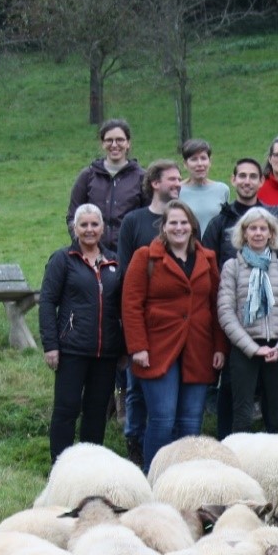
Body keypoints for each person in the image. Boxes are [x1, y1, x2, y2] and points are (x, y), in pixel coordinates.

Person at [121, 200, 226, 472]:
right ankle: (155, 476)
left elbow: (215, 305)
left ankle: (186, 478)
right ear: (164, 227)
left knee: (191, 422)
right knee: (162, 419)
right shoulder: (146, 257)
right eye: (173, 223)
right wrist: (138, 347)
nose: (179, 228)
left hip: (198, 348)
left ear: (192, 226)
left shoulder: (207, 258)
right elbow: (131, 305)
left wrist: (219, 347)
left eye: (184, 222)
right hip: (157, 348)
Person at [200, 157, 278, 438]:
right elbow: (210, 274)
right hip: (235, 328)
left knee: (277, 407)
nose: (247, 181)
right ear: (233, 179)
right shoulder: (221, 228)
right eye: (242, 176)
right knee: (236, 399)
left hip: (274, 336)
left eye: (254, 176)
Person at [39, 203, 123, 462]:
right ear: (75, 229)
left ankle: (89, 466)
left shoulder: (114, 261)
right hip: (71, 349)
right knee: (67, 409)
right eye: (83, 225)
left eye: (94, 224)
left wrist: (124, 348)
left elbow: (123, 307)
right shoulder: (62, 259)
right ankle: (60, 466)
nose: (89, 230)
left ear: (102, 228)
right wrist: (51, 345)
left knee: (97, 411)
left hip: (106, 352)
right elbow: (47, 302)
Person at [115, 159, 182, 466]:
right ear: (155, 183)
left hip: (171, 323)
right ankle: (134, 443)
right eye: (172, 179)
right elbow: (126, 269)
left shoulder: (183, 221)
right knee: (135, 386)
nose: (178, 184)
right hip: (138, 315)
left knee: (160, 396)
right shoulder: (135, 220)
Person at [218, 207, 278, 433]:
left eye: (263, 228)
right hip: (245, 350)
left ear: (272, 234)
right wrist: (253, 348)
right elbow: (226, 312)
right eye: (252, 228)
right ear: (244, 234)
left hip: (277, 349)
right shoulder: (232, 267)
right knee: (242, 416)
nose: (258, 233)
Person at [67, 118, 146, 255]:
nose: (114, 145)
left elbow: (148, 217)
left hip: (129, 254)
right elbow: (73, 216)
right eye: (109, 140)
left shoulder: (142, 177)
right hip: (91, 254)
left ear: (128, 143)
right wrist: (82, 241)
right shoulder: (87, 176)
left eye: (120, 140)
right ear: (102, 144)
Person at [178, 138, 229, 230]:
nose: (200, 164)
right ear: (185, 164)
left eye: (203, 158)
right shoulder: (177, 190)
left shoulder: (222, 189)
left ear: (210, 161)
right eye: (194, 159)